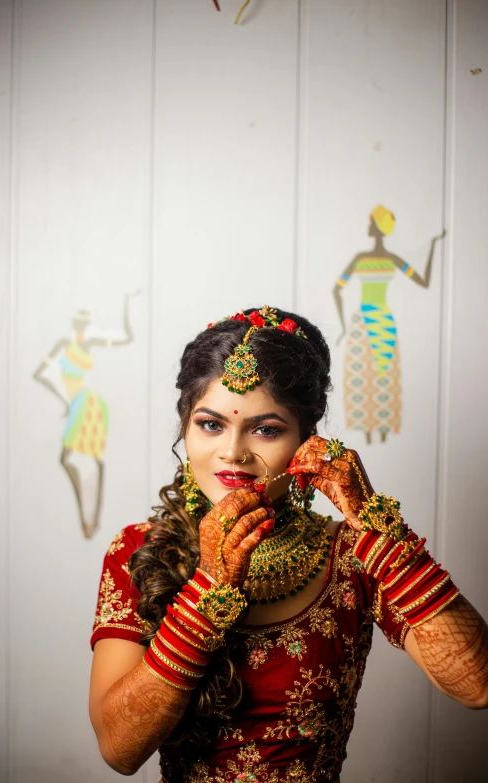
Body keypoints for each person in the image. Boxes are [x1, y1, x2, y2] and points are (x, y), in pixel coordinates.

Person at [89, 305, 488, 782]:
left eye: (266, 429)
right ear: (184, 426)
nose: (233, 452)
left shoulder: (354, 555)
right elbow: (119, 750)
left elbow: (477, 686)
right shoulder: (138, 551)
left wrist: (373, 522)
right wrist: (207, 589)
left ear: (307, 442)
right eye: (211, 424)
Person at [333, 205, 446, 444]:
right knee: (370, 375)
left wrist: (434, 245)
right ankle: (374, 434)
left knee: (375, 375)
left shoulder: (370, 259)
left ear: (376, 227)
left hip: (371, 321)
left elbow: (337, 291)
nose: (369, 226)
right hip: (374, 321)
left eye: (372, 222)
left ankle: (377, 434)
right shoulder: (381, 259)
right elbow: (423, 280)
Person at [33, 292, 138, 538]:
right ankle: (88, 520)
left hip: (87, 403)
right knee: (69, 458)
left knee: (83, 457)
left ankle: (88, 521)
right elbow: (41, 373)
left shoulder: (88, 344)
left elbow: (126, 337)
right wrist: (63, 398)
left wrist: (126, 304)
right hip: (78, 400)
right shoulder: (64, 345)